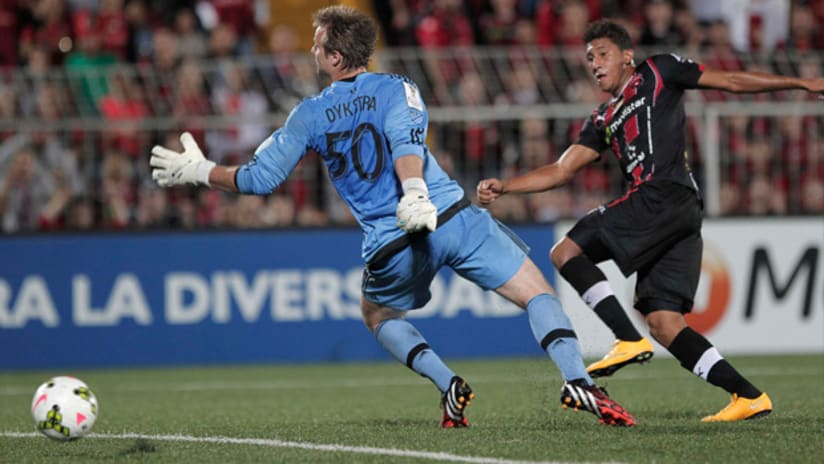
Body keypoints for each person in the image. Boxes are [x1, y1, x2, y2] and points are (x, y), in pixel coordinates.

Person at [149, 6, 636, 428]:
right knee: (538, 294)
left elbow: (259, 180)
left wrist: (202, 170)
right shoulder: (398, 87)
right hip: (451, 215)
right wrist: (419, 191)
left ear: (336, 58)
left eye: (318, 46)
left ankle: (448, 384)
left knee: (377, 313)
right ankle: (577, 381)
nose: (313, 53)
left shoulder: (309, 114)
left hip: (394, 240)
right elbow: (406, 141)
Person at [477, 19, 824, 422]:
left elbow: (729, 80)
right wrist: (507, 186)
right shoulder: (604, 117)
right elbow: (561, 169)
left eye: (603, 54)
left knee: (565, 250)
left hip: (663, 194)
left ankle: (625, 337)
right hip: (680, 212)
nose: (595, 64)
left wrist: (801, 84)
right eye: (589, 58)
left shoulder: (658, 71)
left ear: (628, 55)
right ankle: (748, 396)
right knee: (663, 322)